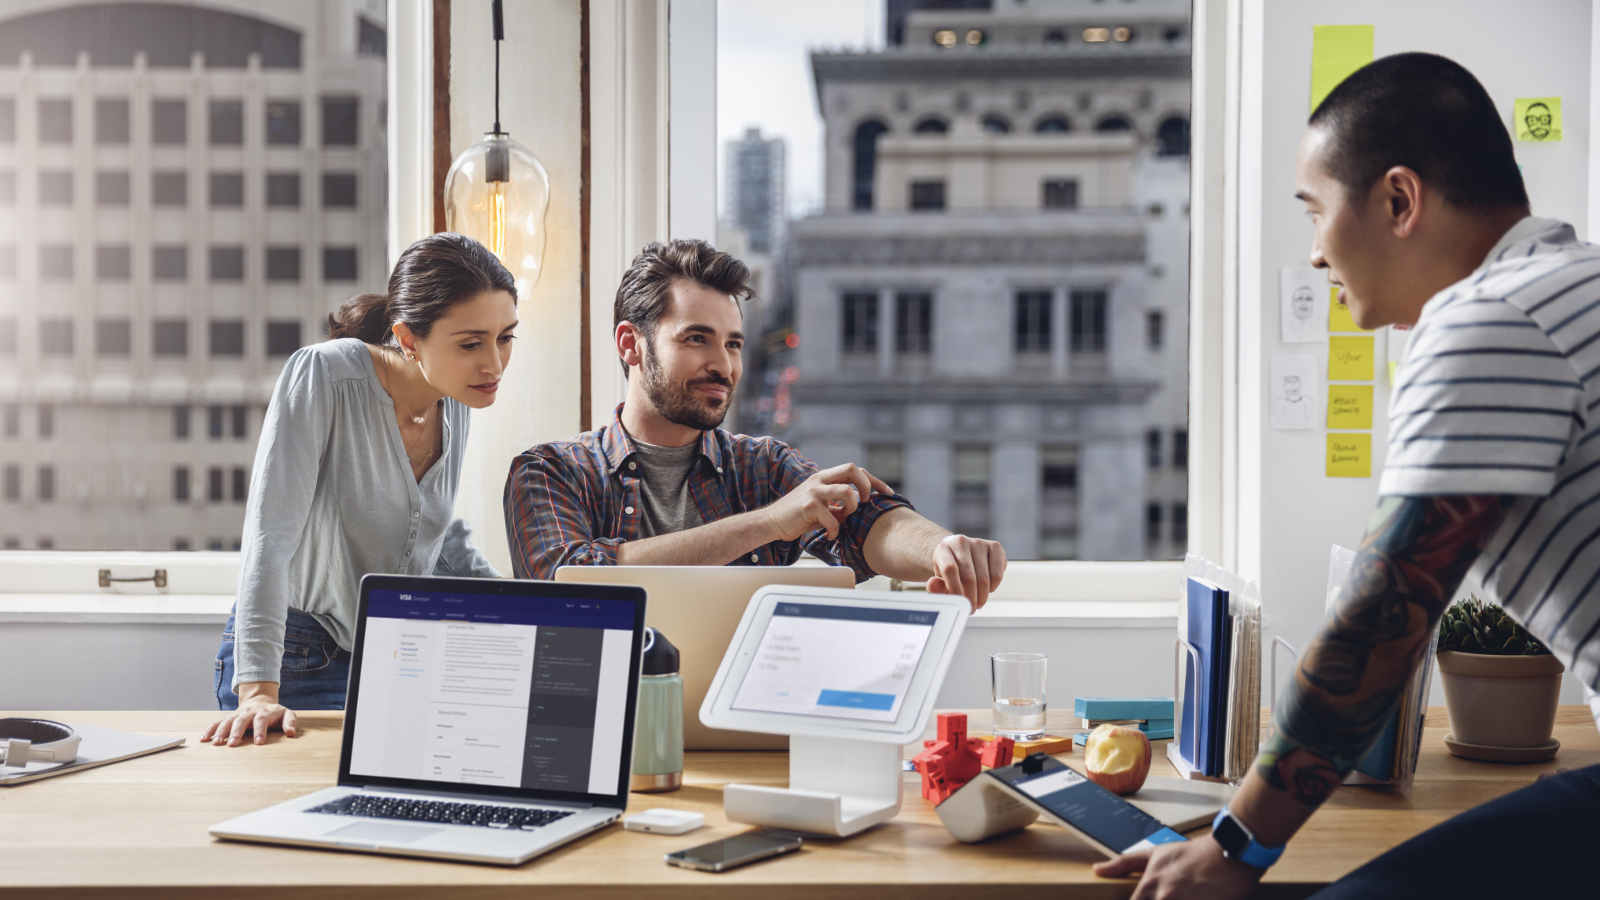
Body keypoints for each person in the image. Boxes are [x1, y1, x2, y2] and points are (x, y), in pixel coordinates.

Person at [1096, 52, 1600, 898]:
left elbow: (1379, 621)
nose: (1318, 255)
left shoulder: (1491, 319)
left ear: (1399, 201)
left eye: (1317, 210)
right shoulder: (1568, 285)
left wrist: (1233, 847)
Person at [503, 239, 1008, 611]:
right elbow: (568, 581)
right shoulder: (550, 472)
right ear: (631, 344)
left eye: (733, 343)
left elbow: (869, 522)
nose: (723, 365)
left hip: (747, 731)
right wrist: (769, 523)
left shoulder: (761, 467)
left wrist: (942, 550)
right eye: (697, 339)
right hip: (595, 731)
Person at [202, 233, 516, 748]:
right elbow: (269, 538)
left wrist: (537, 616)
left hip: (394, 657)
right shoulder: (325, 375)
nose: (494, 364)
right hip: (295, 659)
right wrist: (258, 690)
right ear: (408, 338)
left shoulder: (456, 395)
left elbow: (438, 544)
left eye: (506, 337)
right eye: (470, 343)